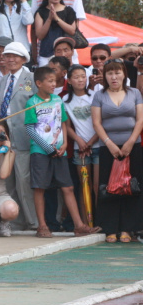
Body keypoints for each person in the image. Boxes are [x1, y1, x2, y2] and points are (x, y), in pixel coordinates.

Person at [25, 67, 100, 238]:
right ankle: (42, 226)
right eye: (50, 81)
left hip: (60, 150)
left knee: (68, 187)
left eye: (54, 81)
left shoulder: (58, 100)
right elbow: (30, 130)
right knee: (39, 188)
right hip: (40, 151)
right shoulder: (32, 103)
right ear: (39, 83)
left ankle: (79, 225)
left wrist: (65, 143)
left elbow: (63, 123)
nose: (54, 84)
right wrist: (47, 148)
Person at [91, 59, 143, 243]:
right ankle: (110, 228)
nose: (114, 77)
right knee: (109, 188)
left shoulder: (134, 93)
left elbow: (139, 120)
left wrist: (130, 142)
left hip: (133, 146)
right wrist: (109, 143)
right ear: (105, 76)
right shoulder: (100, 95)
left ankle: (128, 229)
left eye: (118, 72)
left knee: (132, 187)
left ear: (124, 74)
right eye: (110, 73)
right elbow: (96, 122)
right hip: (108, 148)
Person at [0, 41, 37, 230]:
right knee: (8, 182)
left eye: (14, 56)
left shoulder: (32, 78)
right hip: (5, 139)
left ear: (23, 58)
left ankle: (33, 222)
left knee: (24, 181)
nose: (10, 59)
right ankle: (16, 222)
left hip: (24, 138)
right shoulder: (3, 80)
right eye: (7, 56)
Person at [64, 65, 99, 226]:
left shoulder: (95, 96)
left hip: (97, 145)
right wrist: (80, 141)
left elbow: (101, 123)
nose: (80, 80)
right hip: (80, 149)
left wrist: (90, 142)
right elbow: (67, 126)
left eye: (83, 76)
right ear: (69, 81)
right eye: (76, 77)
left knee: (97, 186)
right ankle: (85, 223)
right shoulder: (65, 101)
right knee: (83, 185)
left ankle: (100, 221)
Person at [30, 0, 86, 64]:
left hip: (67, 51)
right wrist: (34, 51)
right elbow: (34, 28)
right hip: (45, 52)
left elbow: (74, 29)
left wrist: (56, 18)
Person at [34, 0, 77, 67]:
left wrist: (57, 18)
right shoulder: (40, 12)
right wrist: (49, 19)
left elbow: (72, 31)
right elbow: (40, 35)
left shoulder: (68, 10)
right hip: (46, 54)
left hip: (66, 54)